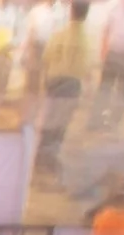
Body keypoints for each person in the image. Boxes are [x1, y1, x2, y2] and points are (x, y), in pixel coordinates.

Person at [39, 0, 96, 171]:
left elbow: (46, 57)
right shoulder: (86, 39)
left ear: (71, 12)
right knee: (62, 122)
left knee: (50, 118)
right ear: (86, 15)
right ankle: (50, 157)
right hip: (71, 82)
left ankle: (41, 156)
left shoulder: (59, 34)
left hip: (55, 80)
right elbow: (87, 67)